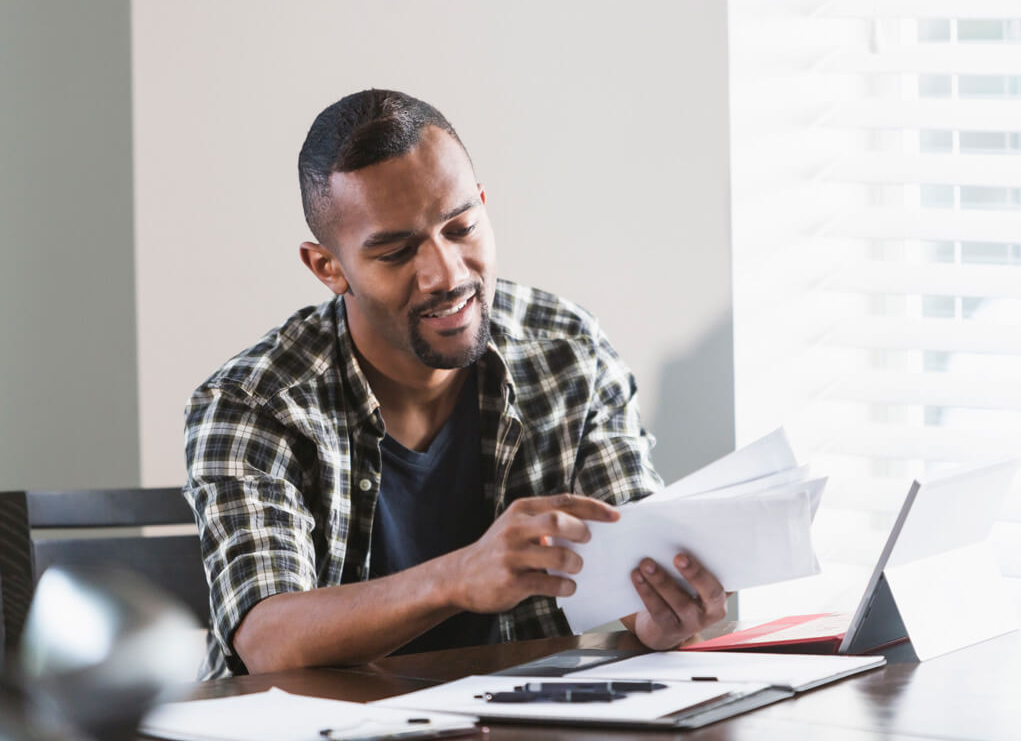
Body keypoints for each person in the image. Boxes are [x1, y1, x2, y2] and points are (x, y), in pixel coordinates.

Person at [184, 89, 728, 679]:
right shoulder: (252, 403)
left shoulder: (568, 349)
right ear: (328, 267)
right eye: (395, 253)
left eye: (462, 227)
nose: (446, 274)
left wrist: (658, 615)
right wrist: (459, 577)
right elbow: (269, 640)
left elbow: (636, 563)